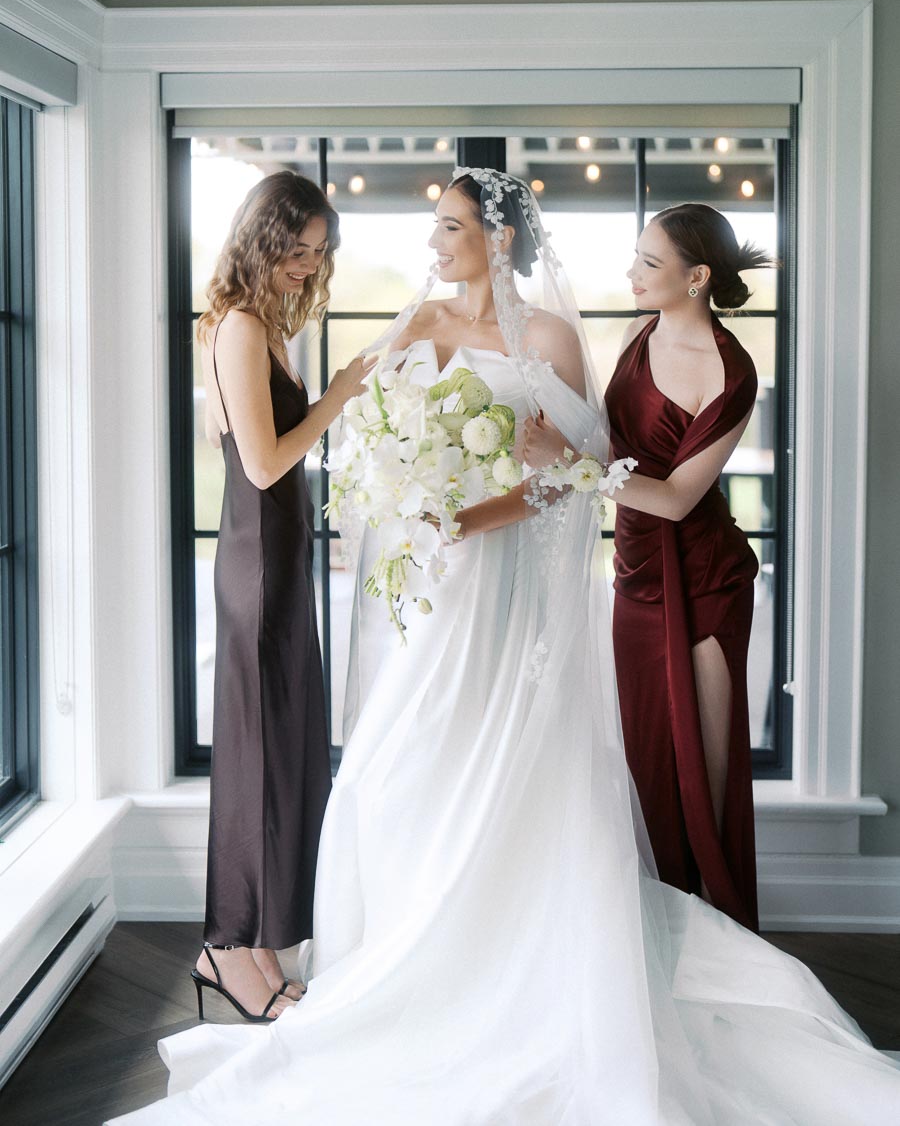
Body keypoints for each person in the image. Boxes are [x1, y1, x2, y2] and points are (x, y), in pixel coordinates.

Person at [110, 171, 900, 1124]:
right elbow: (363, 444)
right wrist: (410, 504)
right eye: (434, 227)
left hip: (507, 591)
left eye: (449, 228)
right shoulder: (416, 326)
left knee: (519, 774)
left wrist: (473, 513)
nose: (435, 243)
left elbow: (567, 478)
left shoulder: (559, 342)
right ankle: (403, 952)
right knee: (399, 771)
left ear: (499, 239)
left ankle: (506, 959)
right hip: (431, 592)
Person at [527, 203, 765, 931]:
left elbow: (672, 498)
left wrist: (569, 467)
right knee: (647, 768)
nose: (631, 273)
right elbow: (608, 448)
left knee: (703, 775)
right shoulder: (640, 333)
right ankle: (653, 938)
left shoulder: (731, 373)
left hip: (702, 582)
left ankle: (716, 937)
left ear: (696, 277)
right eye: (635, 258)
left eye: (648, 264)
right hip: (635, 580)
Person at [190, 171, 370, 1024]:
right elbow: (261, 466)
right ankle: (227, 951)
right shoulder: (240, 328)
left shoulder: (265, 328)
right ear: (261, 243)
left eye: (318, 254)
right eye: (296, 250)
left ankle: (256, 947)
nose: (307, 266)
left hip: (279, 565)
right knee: (256, 764)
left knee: (280, 760)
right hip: (258, 570)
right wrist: (336, 400)